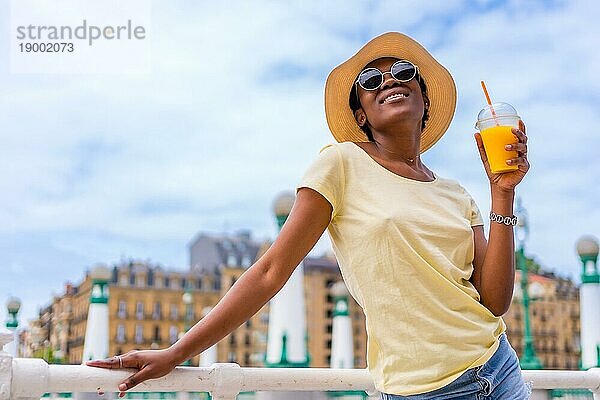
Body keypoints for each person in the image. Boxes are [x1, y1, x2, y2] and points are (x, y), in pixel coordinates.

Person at [88, 32, 531, 399]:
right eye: (371, 80)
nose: (389, 81)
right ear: (361, 114)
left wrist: (501, 194)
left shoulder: (456, 194)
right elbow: (270, 272)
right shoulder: (340, 164)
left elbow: (493, 302)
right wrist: (176, 353)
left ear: (423, 98)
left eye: (403, 72)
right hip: (418, 391)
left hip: (499, 370)